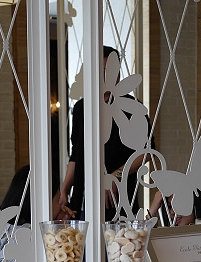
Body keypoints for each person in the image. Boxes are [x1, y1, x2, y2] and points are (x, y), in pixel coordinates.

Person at [59, 46, 153, 221]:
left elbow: (147, 152)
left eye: (113, 70)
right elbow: (76, 155)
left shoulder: (132, 107)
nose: (108, 76)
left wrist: (115, 176)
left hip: (118, 200)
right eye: (103, 71)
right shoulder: (81, 108)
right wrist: (65, 189)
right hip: (82, 199)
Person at [0, 164, 76, 262]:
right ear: (42, 202)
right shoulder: (32, 238)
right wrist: (60, 231)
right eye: (57, 200)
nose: (61, 205)